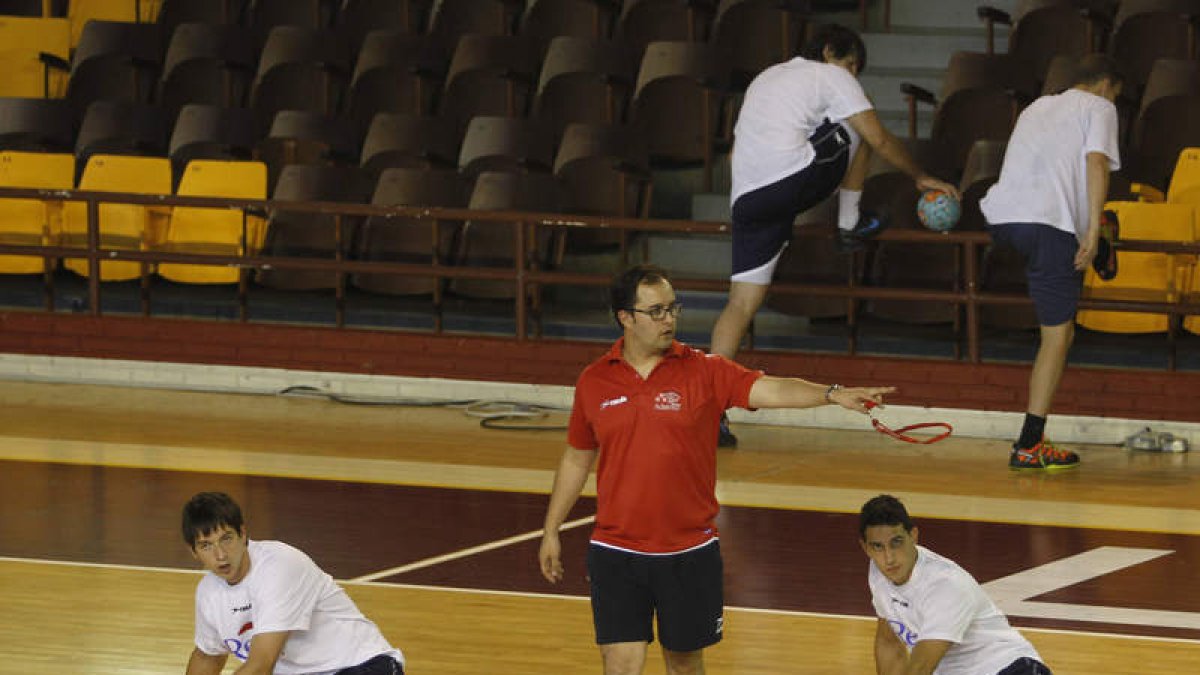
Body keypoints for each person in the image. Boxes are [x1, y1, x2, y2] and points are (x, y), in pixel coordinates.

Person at [538, 264, 895, 675]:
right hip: (617, 551)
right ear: (625, 318)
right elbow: (576, 457)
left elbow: (773, 388)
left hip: (689, 552)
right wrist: (551, 530)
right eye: (655, 311)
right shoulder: (595, 381)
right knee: (620, 664)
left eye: (673, 308)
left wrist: (831, 395)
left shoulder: (705, 371)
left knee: (686, 665)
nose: (669, 318)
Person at [710, 23, 958, 447]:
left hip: (748, 199)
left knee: (740, 303)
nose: (853, 77)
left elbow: (738, 150)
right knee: (860, 125)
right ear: (830, 53)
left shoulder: (767, 77)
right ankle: (849, 225)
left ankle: (709, 412)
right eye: (851, 66)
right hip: (789, 182)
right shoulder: (830, 75)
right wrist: (920, 176)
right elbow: (877, 138)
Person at [979, 54, 1123, 470]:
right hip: (1049, 228)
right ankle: (1029, 443)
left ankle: (1032, 440)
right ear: (1106, 84)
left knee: (1053, 309)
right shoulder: (1100, 107)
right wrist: (1092, 234)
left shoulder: (1038, 105)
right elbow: (1096, 163)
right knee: (1058, 337)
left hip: (1002, 219)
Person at [182, 491, 405, 675]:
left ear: (242, 533)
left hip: (362, 666)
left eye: (226, 538)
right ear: (194, 552)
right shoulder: (208, 592)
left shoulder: (279, 565)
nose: (220, 555)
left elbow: (261, 664)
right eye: (206, 545)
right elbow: (208, 657)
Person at [859, 494, 1051, 675]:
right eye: (878, 546)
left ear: (914, 536)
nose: (889, 557)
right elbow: (889, 642)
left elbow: (922, 665)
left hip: (1009, 667)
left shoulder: (945, 584)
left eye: (896, 542)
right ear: (865, 547)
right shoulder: (878, 572)